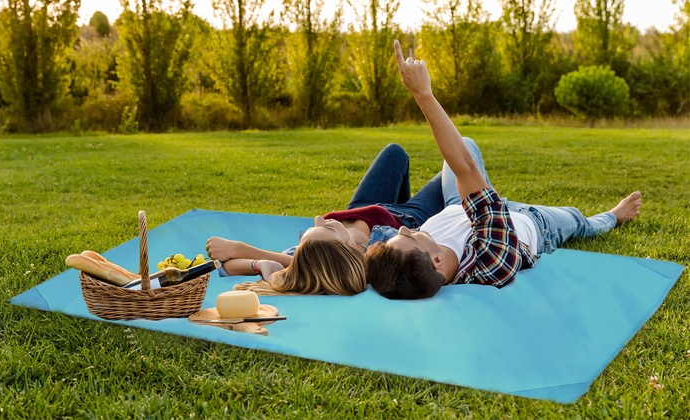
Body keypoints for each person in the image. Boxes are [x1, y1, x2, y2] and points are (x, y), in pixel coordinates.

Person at [364, 41, 642, 299]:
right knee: (580, 220)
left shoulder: (409, 262)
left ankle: (485, 200)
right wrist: (422, 94)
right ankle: (614, 215)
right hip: (533, 223)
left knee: (467, 144)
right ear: (437, 262)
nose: (403, 230)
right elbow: (467, 169)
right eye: (408, 236)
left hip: (458, 206)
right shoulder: (490, 260)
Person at [206, 143, 446, 295]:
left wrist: (255, 261)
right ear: (350, 249)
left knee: (395, 153)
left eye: (315, 227)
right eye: (329, 229)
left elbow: (228, 267)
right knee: (452, 169)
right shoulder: (375, 260)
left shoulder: (311, 254)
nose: (319, 218)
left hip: (362, 208)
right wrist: (243, 249)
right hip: (408, 219)